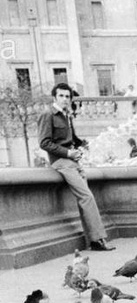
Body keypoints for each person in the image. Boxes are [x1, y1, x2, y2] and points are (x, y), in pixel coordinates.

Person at [37, 82, 115, 252]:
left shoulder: (67, 115)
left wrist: (84, 144)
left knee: (84, 200)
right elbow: (44, 143)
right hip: (61, 162)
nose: (65, 99)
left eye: (67, 96)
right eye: (61, 96)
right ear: (54, 97)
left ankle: (93, 241)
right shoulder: (47, 114)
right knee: (87, 197)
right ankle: (98, 239)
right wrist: (68, 153)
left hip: (73, 162)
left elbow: (72, 139)